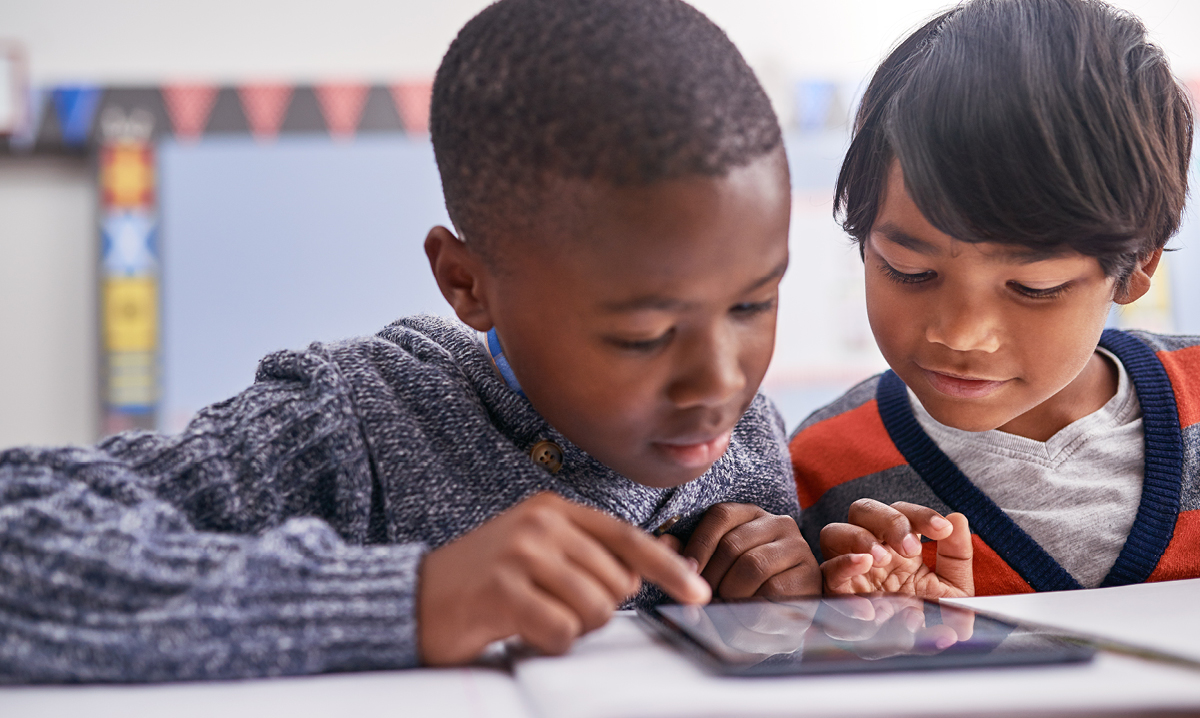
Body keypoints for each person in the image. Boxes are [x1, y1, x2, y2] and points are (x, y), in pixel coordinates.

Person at [0, 0, 820, 683]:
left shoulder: (749, 444)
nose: (720, 383)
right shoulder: (354, 424)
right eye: (643, 335)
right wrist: (414, 598)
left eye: (754, 303)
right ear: (466, 284)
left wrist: (800, 593)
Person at [788, 0, 1198, 599]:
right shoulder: (818, 470)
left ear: (1138, 266)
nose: (961, 333)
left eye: (1034, 287)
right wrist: (852, 624)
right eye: (908, 271)